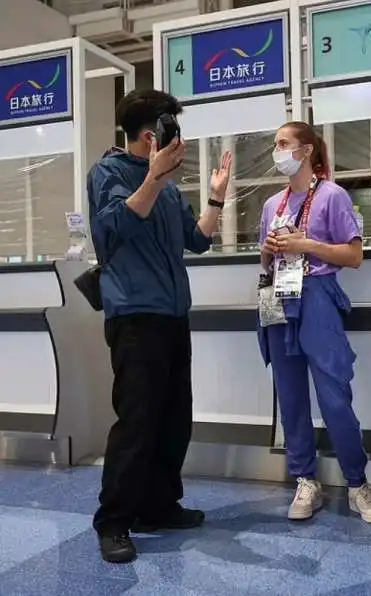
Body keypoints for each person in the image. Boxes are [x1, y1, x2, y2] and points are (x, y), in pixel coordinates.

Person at [87, 89, 232, 563]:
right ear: (152, 136)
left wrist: (215, 196)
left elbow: (198, 240)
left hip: (172, 315)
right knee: (137, 422)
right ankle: (114, 522)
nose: (180, 140)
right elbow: (112, 228)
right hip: (134, 316)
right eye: (172, 129)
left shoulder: (169, 188)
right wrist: (152, 175)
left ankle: (158, 506)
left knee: (174, 418)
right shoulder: (108, 173)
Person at [258, 121, 371, 524]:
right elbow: (267, 262)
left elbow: (354, 256)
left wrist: (306, 245)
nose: (277, 150)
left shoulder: (332, 196)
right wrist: (268, 252)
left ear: (307, 150)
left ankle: (356, 482)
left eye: (283, 143)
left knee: (334, 395)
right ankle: (305, 480)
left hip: (316, 298)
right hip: (280, 300)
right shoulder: (271, 206)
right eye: (275, 143)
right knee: (291, 397)